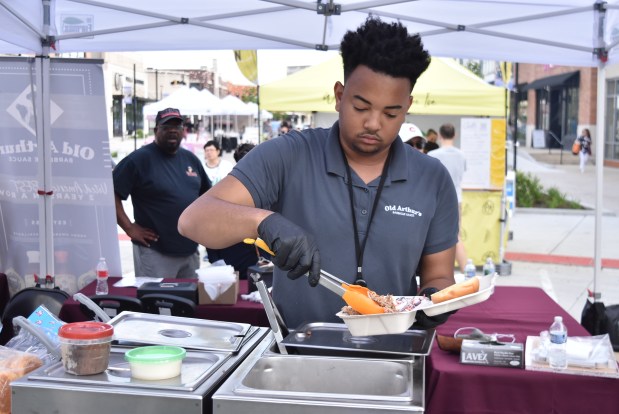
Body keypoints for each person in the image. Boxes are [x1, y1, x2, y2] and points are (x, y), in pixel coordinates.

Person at [178, 17, 459, 329]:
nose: (374, 123)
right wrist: (264, 222)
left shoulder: (432, 178)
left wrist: (435, 299)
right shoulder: (289, 155)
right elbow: (193, 220)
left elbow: (438, 273)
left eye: (391, 113)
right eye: (361, 107)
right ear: (339, 96)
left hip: (396, 355)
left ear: (407, 107)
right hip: (298, 353)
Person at [114, 108, 211, 278]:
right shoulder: (138, 160)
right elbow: (111, 193)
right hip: (155, 252)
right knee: (156, 302)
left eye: (177, 126)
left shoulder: (191, 159)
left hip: (189, 251)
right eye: (166, 127)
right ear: (155, 130)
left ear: (183, 131)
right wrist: (129, 227)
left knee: (188, 303)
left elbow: (208, 196)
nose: (172, 130)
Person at [205, 143, 272, 278]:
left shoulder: (273, 191)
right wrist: (217, 261)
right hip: (234, 266)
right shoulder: (225, 192)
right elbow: (209, 225)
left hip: (267, 266)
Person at [428, 123, 468, 273]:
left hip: (436, 198)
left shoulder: (433, 155)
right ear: (454, 135)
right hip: (456, 198)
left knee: (435, 237)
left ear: (439, 135)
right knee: (455, 236)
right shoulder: (461, 155)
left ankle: (444, 272)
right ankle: (466, 272)